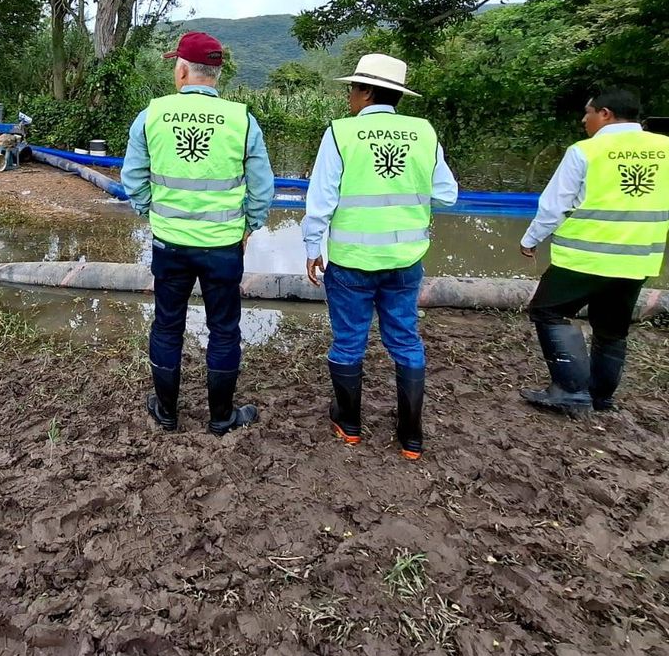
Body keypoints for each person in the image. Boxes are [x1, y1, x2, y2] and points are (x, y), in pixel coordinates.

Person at [520, 89, 669, 413]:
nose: (584, 119)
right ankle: (601, 397)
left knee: (549, 312)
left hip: (584, 256)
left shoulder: (586, 151)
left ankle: (570, 391)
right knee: (611, 328)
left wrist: (531, 239)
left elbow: (554, 206)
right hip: (636, 259)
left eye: (587, 112)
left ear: (605, 114)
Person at [302, 54, 458, 459]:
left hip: (352, 261)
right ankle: (411, 435)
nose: (350, 97)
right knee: (405, 340)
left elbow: (321, 200)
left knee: (350, 341)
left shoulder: (340, 133)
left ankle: (349, 424)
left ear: (367, 91)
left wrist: (311, 247)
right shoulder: (423, 132)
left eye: (352, 88)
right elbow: (446, 193)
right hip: (405, 261)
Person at [121, 31, 275, 435]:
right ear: (217, 72)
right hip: (223, 245)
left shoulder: (152, 114)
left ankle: (167, 412)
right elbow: (262, 186)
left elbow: (132, 177)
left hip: (169, 243)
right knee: (224, 327)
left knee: (167, 324)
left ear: (183, 69)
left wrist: (149, 211)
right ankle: (221, 417)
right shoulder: (242, 119)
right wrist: (249, 225)